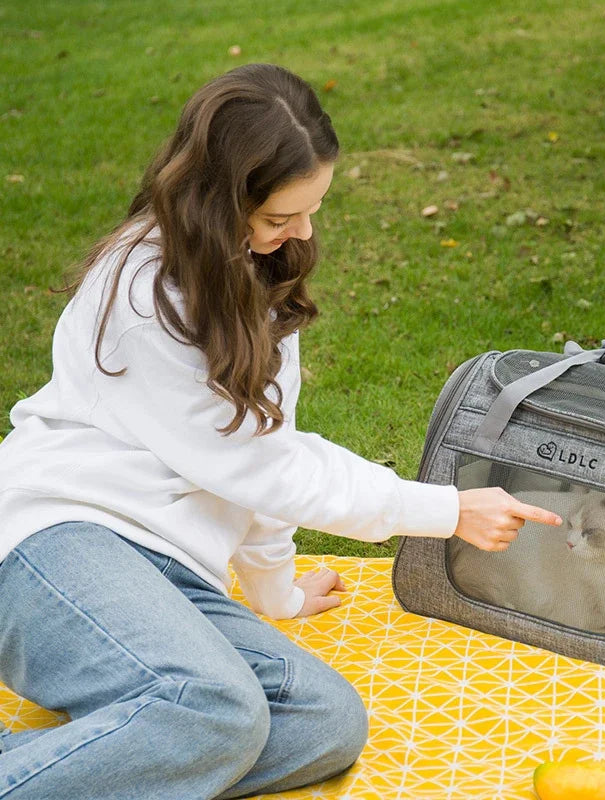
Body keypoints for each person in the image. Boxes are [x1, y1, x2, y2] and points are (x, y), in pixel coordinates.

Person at [0, 63, 562, 799]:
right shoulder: (143, 290)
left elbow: (267, 444)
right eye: (277, 218)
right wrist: (446, 510)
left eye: (312, 209)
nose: (300, 233)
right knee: (214, 711)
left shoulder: (258, 272)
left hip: (167, 569)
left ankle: (110, 747)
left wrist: (274, 591)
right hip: (55, 545)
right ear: (216, 201)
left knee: (325, 722)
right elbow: (266, 469)